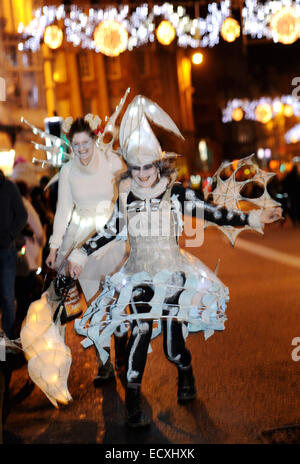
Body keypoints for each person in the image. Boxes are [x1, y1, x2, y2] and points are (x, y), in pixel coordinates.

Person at [68, 95, 282, 427]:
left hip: (172, 276)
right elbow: (108, 231)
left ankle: (185, 371)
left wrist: (252, 219)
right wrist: (80, 253)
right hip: (137, 276)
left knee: (171, 345)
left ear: (159, 164)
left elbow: (215, 214)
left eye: (148, 166)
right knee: (139, 331)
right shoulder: (126, 199)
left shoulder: (176, 193)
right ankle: (134, 402)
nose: (142, 174)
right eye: (136, 167)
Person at [44, 114, 128, 384]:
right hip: (82, 242)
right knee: (95, 304)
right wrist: (54, 247)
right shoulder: (67, 171)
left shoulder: (112, 162)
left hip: (111, 238)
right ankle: (104, 362)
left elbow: (128, 195)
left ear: (94, 139)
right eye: (75, 145)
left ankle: (123, 357)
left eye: (85, 143)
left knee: (115, 299)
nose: (81, 150)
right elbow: (63, 211)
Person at [14, 181, 46, 336]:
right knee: (28, 303)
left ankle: (15, 337)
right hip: (28, 261)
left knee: (18, 300)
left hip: (11, 262)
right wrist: (42, 242)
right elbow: (39, 233)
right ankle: (25, 336)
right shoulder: (25, 205)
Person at [0, 170, 28, 340]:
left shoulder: (9, 187)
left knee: (7, 297)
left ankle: (6, 346)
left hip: (5, 252)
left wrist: (9, 235)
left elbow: (22, 215)